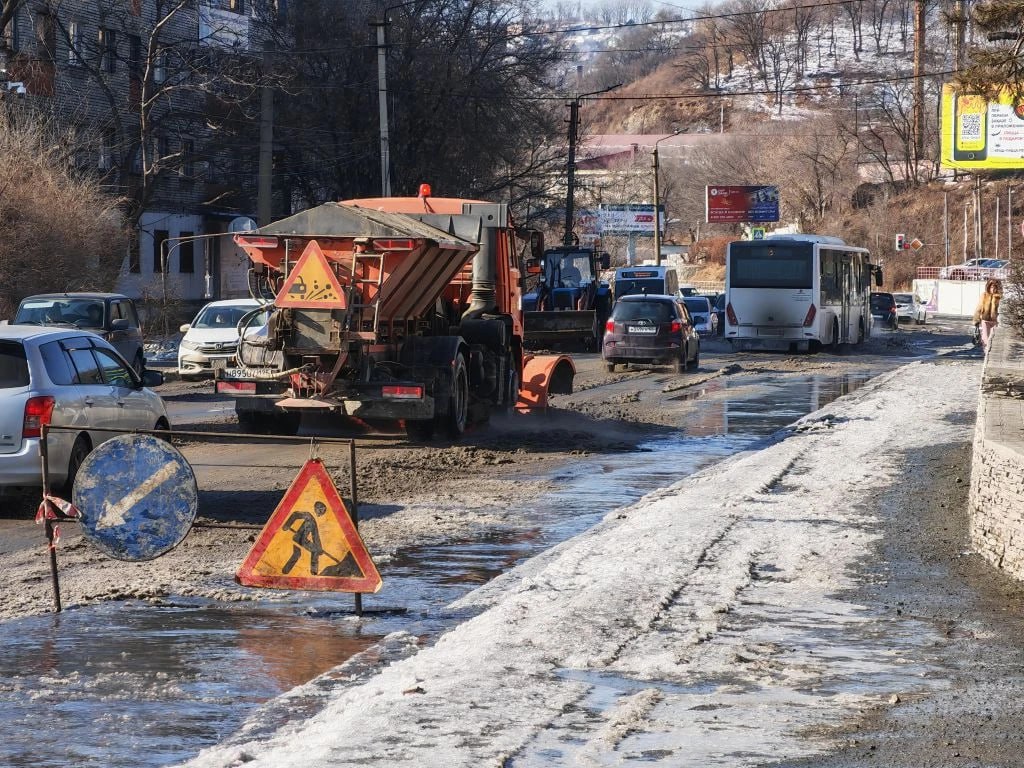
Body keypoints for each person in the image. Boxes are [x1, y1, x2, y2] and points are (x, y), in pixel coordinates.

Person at [973, 278, 1003, 353]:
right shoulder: (984, 295)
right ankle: (986, 351)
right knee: (985, 337)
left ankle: (991, 351)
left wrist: (1000, 319)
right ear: (988, 287)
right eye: (991, 287)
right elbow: (979, 307)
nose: (993, 289)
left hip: (995, 321)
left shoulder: (999, 297)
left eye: (995, 287)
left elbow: (1002, 309)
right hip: (985, 320)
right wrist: (976, 319)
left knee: (993, 337)